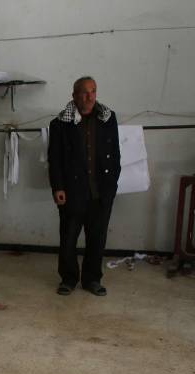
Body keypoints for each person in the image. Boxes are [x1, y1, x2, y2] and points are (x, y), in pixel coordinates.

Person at [48, 76, 121, 297]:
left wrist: (112, 184)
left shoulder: (108, 119)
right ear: (74, 95)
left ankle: (92, 279)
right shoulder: (60, 124)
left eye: (93, 91)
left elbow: (115, 154)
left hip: (101, 192)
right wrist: (58, 187)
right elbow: (55, 159)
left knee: (97, 238)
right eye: (84, 92)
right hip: (72, 191)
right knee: (68, 238)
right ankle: (69, 278)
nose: (89, 97)